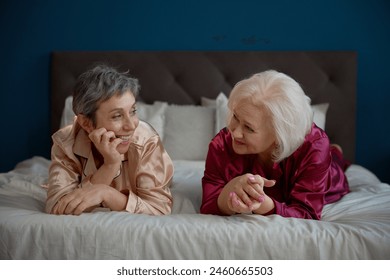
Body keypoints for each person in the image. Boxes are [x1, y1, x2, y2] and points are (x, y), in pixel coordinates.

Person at [200, 70, 350, 219]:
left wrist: (262, 204)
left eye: (249, 128)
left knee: (334, 163)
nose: (235, 133)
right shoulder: (222, 144)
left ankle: (335, 154)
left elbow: (307, 213)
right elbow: (208, 204)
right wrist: (228, 195)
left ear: (279, 135)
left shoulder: (314, 146)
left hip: (328, 175)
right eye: (235, 117)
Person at [46, 64, 174, 215]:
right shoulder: (65, 142)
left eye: (133, 111)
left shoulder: (146, 140)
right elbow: (58, 207)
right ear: (86, 123)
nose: (131, 125)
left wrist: (106, 193)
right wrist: (110, 165)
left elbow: (159, 208)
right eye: (117, 116)